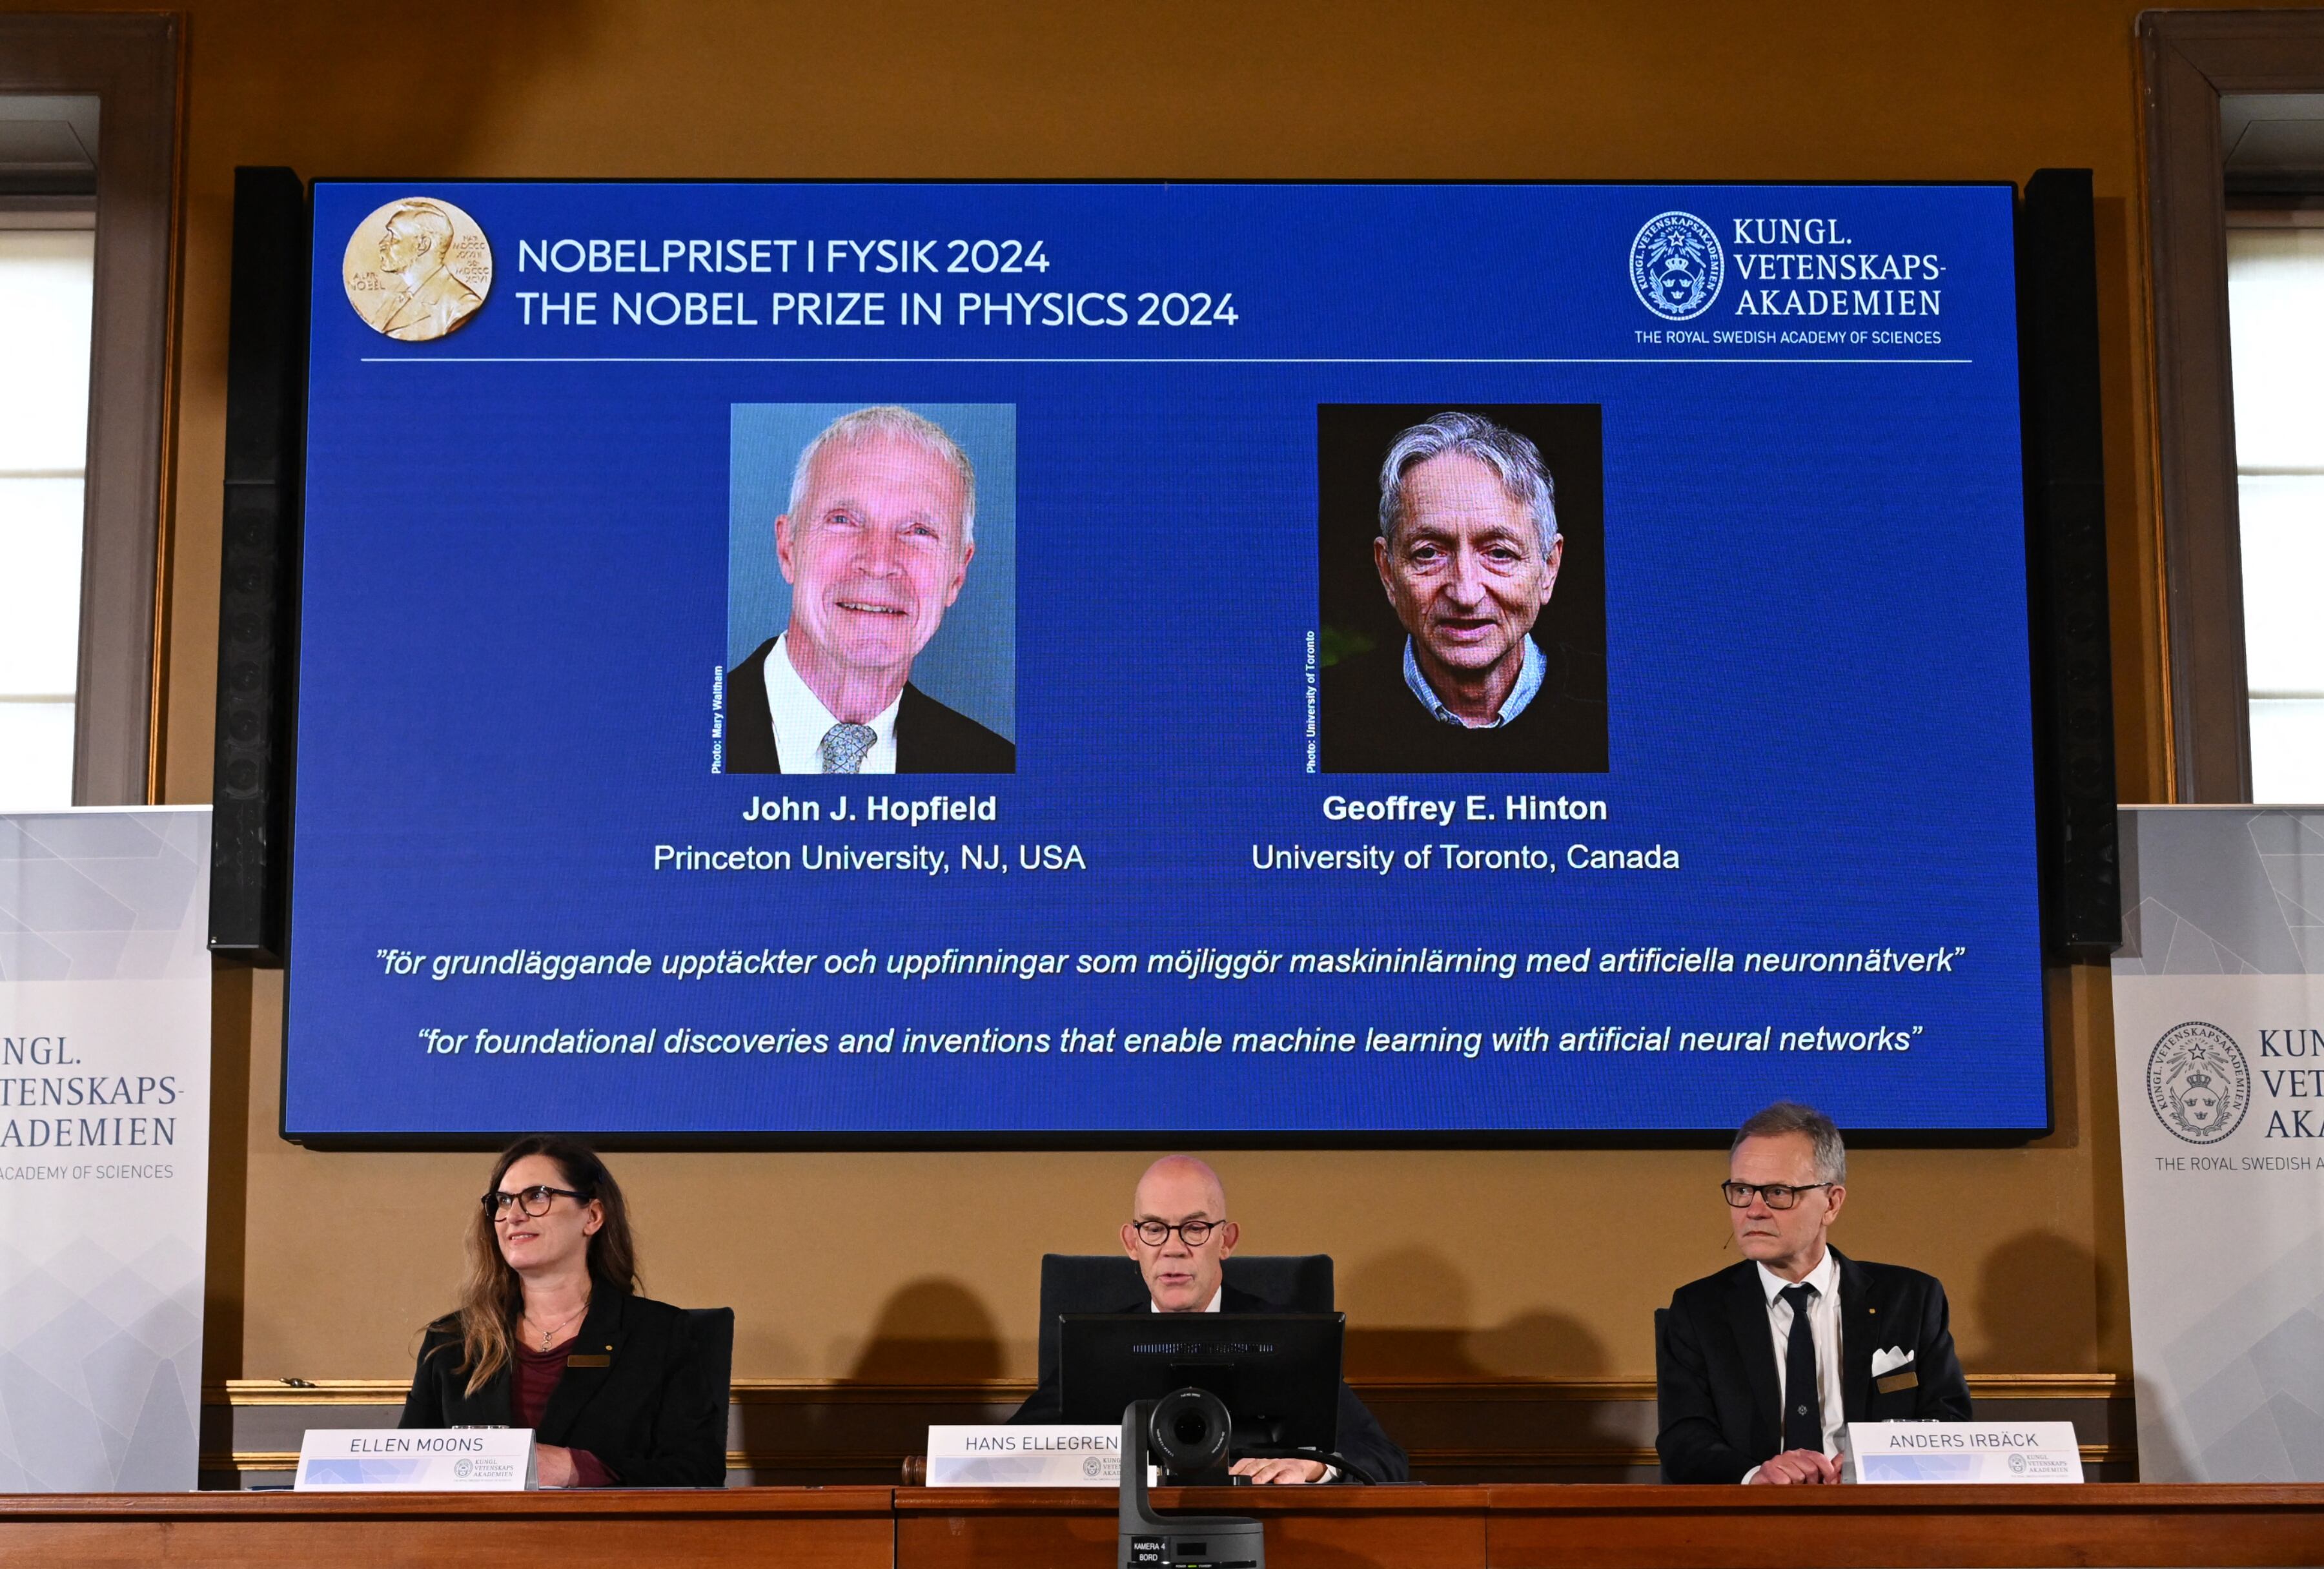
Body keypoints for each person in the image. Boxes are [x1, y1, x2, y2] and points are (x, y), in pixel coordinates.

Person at [1010, 1154, 1410, 1485]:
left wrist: (1316, 1466)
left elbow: (1383, 1458)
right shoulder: (1096, 1344)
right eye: (1154, 1228)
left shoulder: (1288, 1338)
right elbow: (1012, 1447)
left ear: (1227, 1240)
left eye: (1194, 1228)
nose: (1173, 1248)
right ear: (1132, 1244)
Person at [1655, 1102, 1972, 1484]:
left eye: (1777, 1192)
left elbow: (1948, 1421)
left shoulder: (1910, 1299)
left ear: (1832, 1203)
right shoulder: (1699, 1309)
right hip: (1754, 1521)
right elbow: (1683, 1440)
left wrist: (1873, 1463)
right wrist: (1757, 1475)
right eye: (1741, 1190)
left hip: (1879, 1515)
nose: (1753, 1210)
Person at [399, 1134, 729, 1486]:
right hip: (478, 1539)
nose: (513, 1215)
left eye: (537, 1196)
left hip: (610, 1538)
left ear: (592, 1216)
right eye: (503, 1200)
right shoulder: (451, 1342)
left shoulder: (658, 1336)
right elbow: (405, 1473)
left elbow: (699, 1472)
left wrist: (575, 1469)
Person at [726, 405, 1014, 773]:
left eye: (919, 531)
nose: (879, 563)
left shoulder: (995, 767)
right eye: (844, 520)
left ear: (957, 575)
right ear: (788, 548)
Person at [1320, 410, 1606, 773]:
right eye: (1429, 553)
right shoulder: (1318, 716)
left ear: (1549, 567)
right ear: (1388, 571)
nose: (1466, 593)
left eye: (1499, 553)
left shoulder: (1620, 707)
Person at [365, 200, 484, 342]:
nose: (383, 244)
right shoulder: (394, 297)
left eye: (393, 236)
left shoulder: (463, 306)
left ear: (423, 245)